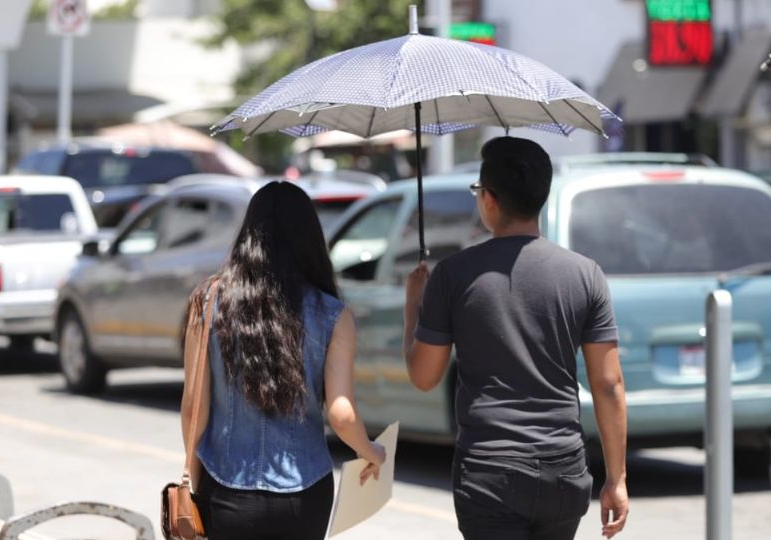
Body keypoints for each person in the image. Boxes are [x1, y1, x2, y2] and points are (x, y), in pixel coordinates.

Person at [403, 136, 629, 540]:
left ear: (489, 199)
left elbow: (423, 377)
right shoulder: (585, 273)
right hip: (564, 469)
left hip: (489, 473)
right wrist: (617, 478)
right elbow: (609, 383)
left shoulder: (453, 275)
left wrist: (412, 310)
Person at [181, 181, 386, 540]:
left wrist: (192, 480)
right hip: (304, 492)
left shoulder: (209, 300)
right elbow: (341, 413)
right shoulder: (333, 314)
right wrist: (372, 451)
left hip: (227, 488)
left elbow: (194, 408)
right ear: (309, 238)